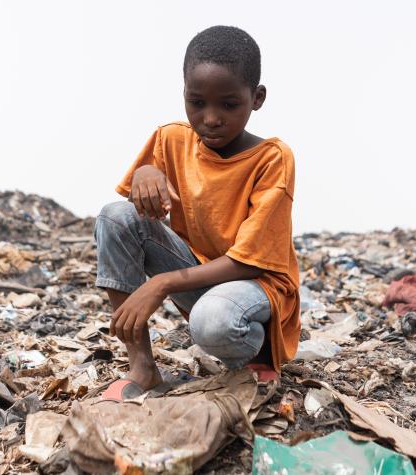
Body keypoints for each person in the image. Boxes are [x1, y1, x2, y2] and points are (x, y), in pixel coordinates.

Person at [95, 25, 300, 400]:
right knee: (114, 216)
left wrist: (162, 283)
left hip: (254, 287)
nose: (210, 118)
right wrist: (146, 172)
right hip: (198, 274)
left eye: (228, 104)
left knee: (214, 323)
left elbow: (250, 262)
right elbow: (135, 206)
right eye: (197, 102)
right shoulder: (171, 138)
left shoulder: (272, 159)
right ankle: (143, 368)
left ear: (257, 98)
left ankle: (258, 356)